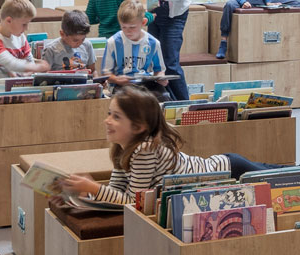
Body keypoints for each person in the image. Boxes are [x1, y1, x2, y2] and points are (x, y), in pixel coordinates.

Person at [54, 87, 233, 208]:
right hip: (222, 167)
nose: (107, 120)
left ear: (138, 127)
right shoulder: (121, 147)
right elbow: (117, 192)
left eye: (116, 117)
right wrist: (84, 193)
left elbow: (133, 202)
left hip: (228, 170)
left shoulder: (144, 150)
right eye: (109, 114)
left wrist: (93, 188)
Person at [102, 0, 186, 98]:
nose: (128, 31)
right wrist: (116, 79)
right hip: (121, 85)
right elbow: (106, 73)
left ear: (143, 22)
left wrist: (161, 78)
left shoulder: (153, 43)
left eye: (132, 27)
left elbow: (159, 70)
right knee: (131, 97)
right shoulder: (113, 42)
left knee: (164, 95)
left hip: (146, 83)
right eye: (124, 27)